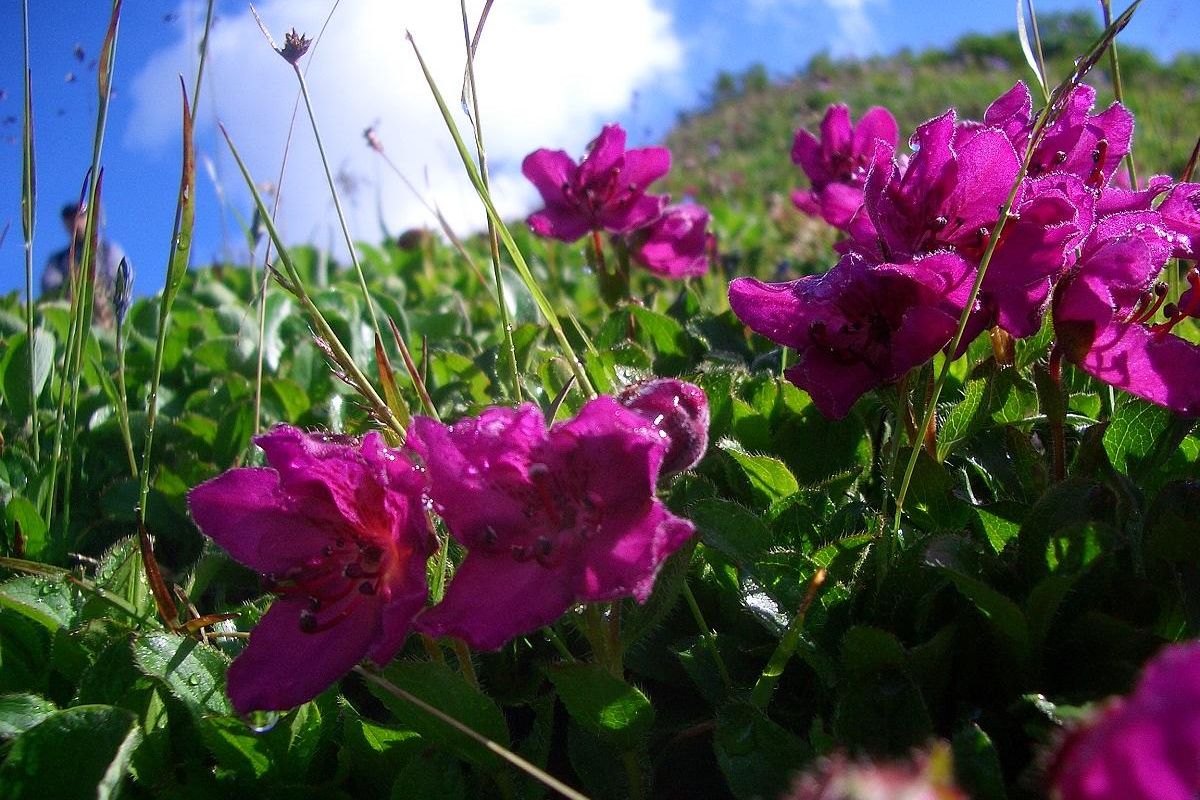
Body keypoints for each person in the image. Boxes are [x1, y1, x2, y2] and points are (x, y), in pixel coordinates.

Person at [42, 202, 129, 327]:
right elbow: (49, 284)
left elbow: (119, 280)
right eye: (70, 219)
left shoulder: (109, 251)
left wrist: (93, 286)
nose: (75, 223)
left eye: (80, 216)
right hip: (72, 314)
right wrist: (72, 286)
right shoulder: (59, 259)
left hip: (107, 314)